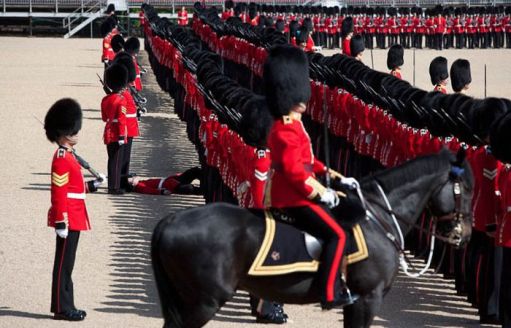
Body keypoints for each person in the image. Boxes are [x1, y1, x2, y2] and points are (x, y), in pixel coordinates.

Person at [263, 45, 359, 310]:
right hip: (294, 199)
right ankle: (329, 293)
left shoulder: (294, 124)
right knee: (337, 235)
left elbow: (307, 162)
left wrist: (335, 177)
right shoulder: (284, 128)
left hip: (298, 192)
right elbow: (295, 171)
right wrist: (321, 192)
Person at [44, 98, 104, 321]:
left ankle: (67, 303)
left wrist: (91, 186)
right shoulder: (61, 158)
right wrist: (61, 221)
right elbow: (59, 193)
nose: (77, 132)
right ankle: (61, 308)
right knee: (63, 264)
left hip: (75, 214)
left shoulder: (68, 155)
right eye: (72, 129)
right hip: (68, 217)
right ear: (63, 131)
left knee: (68, 263)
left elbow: (72, 188)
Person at [101, 64, 128, 194]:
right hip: (117, 133)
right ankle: (114, 188)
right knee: (117, 161)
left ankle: (111, 186)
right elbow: (122, 120)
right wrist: (122, 136)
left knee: (111, 159)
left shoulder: (105, 99)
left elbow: (103, 117)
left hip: (108, 131)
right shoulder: (121, 100)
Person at [124, 167, 202, 195]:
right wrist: (161, 192)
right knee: (190, 189)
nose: (134, 177)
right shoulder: (139, 186)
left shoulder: (140, 182)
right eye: (131, 178)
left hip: (172, 181)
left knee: (194, 171)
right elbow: (149, 190)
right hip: (171, 186)